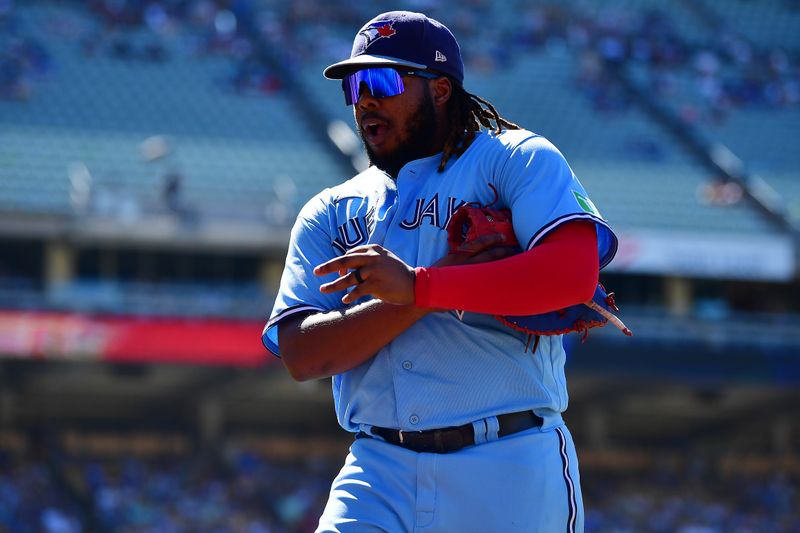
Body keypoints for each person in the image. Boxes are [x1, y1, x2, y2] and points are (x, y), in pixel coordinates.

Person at [262, 10, 618, 533]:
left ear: (442, 90)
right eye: (355, 85)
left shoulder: (513, 159)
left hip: (508, 461)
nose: (364, 100)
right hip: (378, 468)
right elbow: (302, 354)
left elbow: (571, 274)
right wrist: (418, 292)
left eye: (382, 80)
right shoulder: (332, 210)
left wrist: (422, 285)